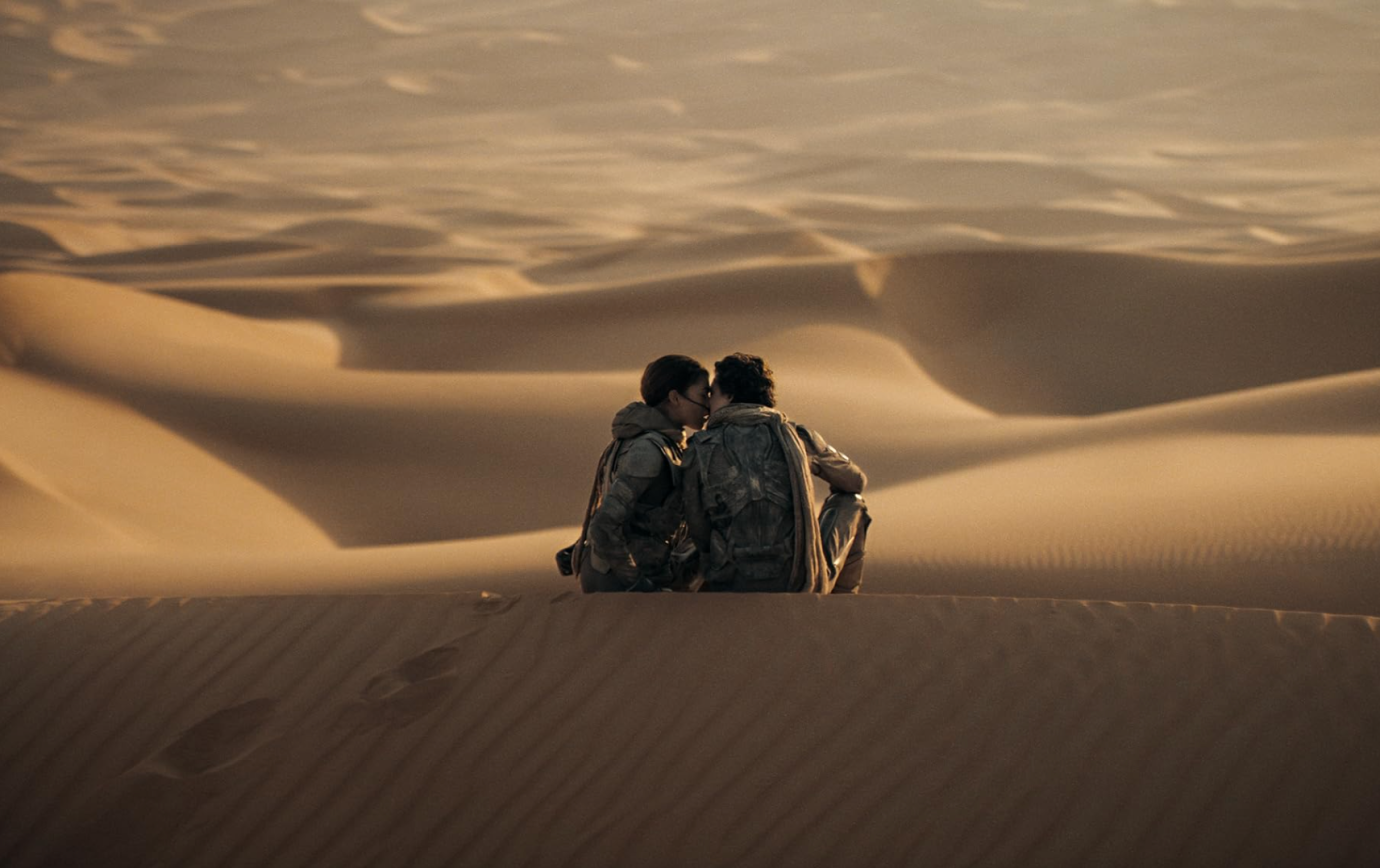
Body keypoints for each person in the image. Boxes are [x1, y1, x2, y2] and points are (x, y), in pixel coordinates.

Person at [681, 353, 871, 593]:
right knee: (851, 502)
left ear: (729, 395)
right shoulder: (796, 437)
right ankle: (837, 608)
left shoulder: (700, 446)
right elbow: (855, 481)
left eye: (713, 393)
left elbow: (697, 523)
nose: (708, 403)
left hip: (728, 582)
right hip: (797, 582)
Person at [557, 354, 711, 592]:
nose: (708, 406)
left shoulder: (647, 441)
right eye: (703, 395)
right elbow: (604, 523)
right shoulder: (649, 448)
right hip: (619, 584)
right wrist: (638, 585)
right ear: (675, 397)